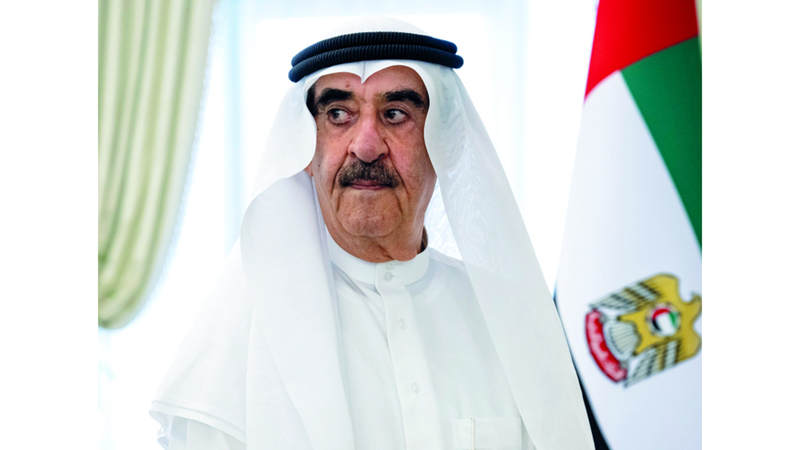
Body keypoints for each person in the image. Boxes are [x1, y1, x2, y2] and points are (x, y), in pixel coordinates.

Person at [150, 17, 594, 450]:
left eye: (395, 114)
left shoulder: (506, 321)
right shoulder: (237, 337)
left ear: (443, 143)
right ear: (306, 149)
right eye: (338, 114)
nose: (365, 146)